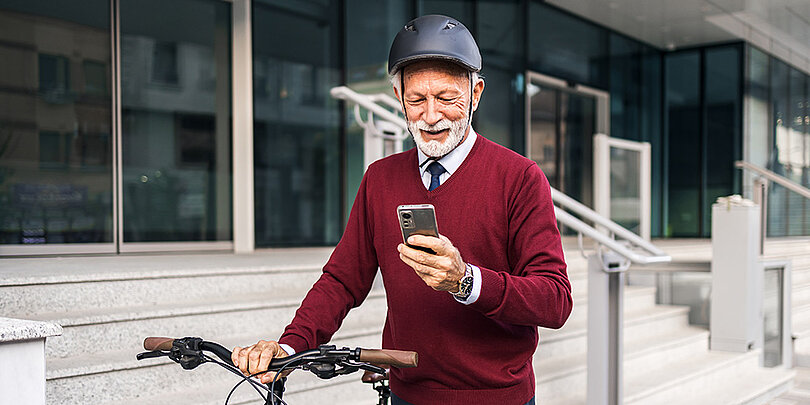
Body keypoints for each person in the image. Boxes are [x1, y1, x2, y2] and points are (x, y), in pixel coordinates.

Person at [232, 14, 572, 405]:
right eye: (416, 100)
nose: (430, 116)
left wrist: (466, 281)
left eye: (447, 98)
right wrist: (291, 348)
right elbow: (342, 280)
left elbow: (555, 299)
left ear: (476, 94)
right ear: (398, 98)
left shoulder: (519, 177)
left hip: (495, 397)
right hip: (406, 394)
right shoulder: (380, 178)